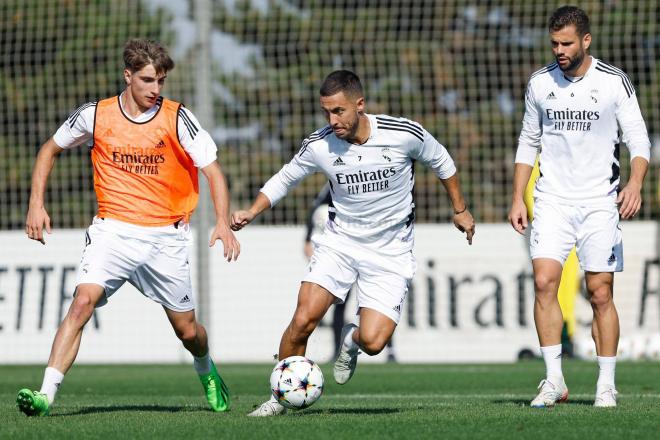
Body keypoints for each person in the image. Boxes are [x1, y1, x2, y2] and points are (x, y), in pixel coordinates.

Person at [232, 69, 475, 416]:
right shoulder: (319, 144)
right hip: (340, 243)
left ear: (359, 105)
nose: (332, 120)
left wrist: (460, 210)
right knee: (303, 319)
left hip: (391, 249)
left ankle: (350, 340)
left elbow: (442, 161)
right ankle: (278, 398)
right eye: (326, 112)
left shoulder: (402, 133)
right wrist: (252, 210)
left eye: (339, 111)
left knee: (374, 342)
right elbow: (286, 177)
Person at [17, 39, 240, 416]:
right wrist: (36, 203)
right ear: (128, 76)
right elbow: (48, 149)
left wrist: (222, 221)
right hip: (112, 231)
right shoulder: (95, 114)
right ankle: (45, 396)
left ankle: (206, 369)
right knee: (81, 303)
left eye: (161, 81)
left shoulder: (177, 117)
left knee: (188, 331)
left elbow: (212, 171)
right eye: (149, 80)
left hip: (164, 237)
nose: (156, 89)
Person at [508, 6, 650, 408]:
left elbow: (639, 141)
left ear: (586, 41)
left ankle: (606, 384)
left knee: (600, 291)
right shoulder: (539, 84)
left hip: (599, 202)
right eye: (554, 43)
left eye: (567, 43)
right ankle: (554, 380)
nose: (559, 50)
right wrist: (519, 196)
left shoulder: (613, 82)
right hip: (551, 199)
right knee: (543, 282)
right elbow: (527, 141)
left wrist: (635, 184)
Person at [304, 184, 397, 363]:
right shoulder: (339, 178)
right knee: (339, 304)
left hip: (373, 251)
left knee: (379, 303)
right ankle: (338, 348)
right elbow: (316, 207)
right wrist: (308, 238)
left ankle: (391, 350)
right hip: (344, 252)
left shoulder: (378, 179)